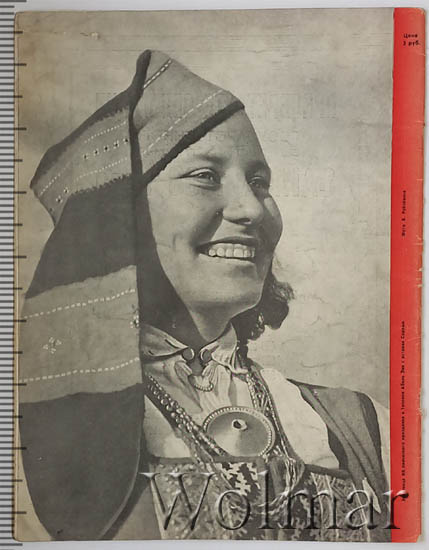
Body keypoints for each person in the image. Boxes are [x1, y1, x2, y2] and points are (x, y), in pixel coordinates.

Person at [17, 50, 390, 542]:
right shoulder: (37, 439)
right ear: (118, 217)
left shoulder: (360, 426)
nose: (252, 208)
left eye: (259, 182)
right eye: (205, 177)